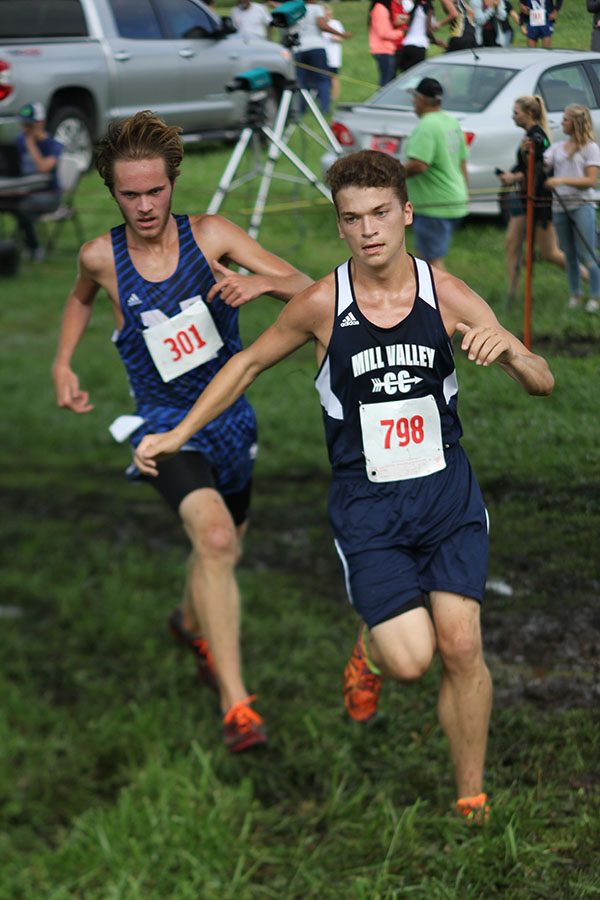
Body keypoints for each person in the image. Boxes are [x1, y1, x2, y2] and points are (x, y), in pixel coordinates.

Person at [133, 149, 554, 822]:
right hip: (369, 505)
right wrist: (177, 435)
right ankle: (372, 650)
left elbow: (542, 377)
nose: (369, 230)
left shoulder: (444, 293)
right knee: (412, 660)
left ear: (406, 213)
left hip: (447, 493)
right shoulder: (321, 305)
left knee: (463, 643)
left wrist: (509, 352)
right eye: (353, 218)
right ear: (340, 226)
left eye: (381, 213)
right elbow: (245, 366)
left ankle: (470, 796)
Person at [51, 110, 312, 754]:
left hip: (231, 420)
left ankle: (188, 621)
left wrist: (260, 284)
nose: (144, 205)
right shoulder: (100, 257)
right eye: (129, 193)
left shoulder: (213, 236)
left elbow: (307, 288)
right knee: (217, 539)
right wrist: (63, 362)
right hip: (165, 428)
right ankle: (237, 705)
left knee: (223, 545)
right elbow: (81, 296)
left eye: (155, 190)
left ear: (174, 181)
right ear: (111, 192)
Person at [496, 95, 570, 297]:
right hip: (524, 199)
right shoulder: (531, 134)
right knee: (512, 244)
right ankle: (512, 293)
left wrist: (514, 176)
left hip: (538, 202)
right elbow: (528, 167)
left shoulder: (537, 137)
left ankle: (590, 278)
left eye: (516, 112)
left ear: (529, 113)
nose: (513, 117)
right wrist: (515, 175)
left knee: (550, 253)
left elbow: (537, 168)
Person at [404, 77, 469, 270]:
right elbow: (462, 160)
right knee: (423, 259)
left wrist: (390, 174)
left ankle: (442, 300)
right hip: (455, 199)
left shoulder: (427, 126)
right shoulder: (451, 122)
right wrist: (466, 193)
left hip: (434, 205)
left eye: (414, 97)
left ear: (422, 99)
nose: (413, 102)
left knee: (431, 265)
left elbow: (418, 165)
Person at [544, 104, 600, 313]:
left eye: (566, 119)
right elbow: (544, 161)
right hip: (559, 207)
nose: (562, 123)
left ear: (575, 123)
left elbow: (590, 181)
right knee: (569, 254)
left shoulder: (590, 148)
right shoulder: (558, 147)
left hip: (581, 206)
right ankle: (575, 294)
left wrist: (561, 180)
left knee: (588, 253)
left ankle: (595, 296)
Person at [10, 101, 63, 262]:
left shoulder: (53, 145)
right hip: (23, 191)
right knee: (9, 204)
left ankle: (34, 248)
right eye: (24, 124)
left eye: (29, 125)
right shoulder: (18, 141)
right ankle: (12, 246)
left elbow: (44, 168)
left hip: (49, 195)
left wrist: (31, 143)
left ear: (40, 123)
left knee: (22, 208)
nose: (25, 129)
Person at [293, 0, 351, 115]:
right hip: (316, 47)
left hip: (299, 49)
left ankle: (301, 110)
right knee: (323, 79)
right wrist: (340, 34)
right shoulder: (316, 8)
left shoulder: (295, 9)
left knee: (302, 81)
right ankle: (325, 108)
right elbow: (322, 25)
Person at [396, 0, 443, 72]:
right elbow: (428, 31)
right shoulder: (428, 8)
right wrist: (435, 40)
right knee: (416, 76)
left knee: (407, 76)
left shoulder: (416, 7)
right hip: (419, 47)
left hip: (406, 45)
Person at [368, 0, 406, 88]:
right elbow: (383, 33)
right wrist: (402, 33)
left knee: (388, 81)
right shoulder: (380, 9)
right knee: (386, 84)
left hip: (386, 50)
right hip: (383, 50)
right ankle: (381, 101)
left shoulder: (381, 8)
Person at [322, 5, 347, 104]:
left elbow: (342, 37)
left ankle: (334, 97)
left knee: (333, 77)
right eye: (325, 14)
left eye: (329, 14)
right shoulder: (320, 24)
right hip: (322, 56)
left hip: (333, 56)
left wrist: (335, 38)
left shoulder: (335, 23)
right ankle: (323, 96)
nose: (327, 16)